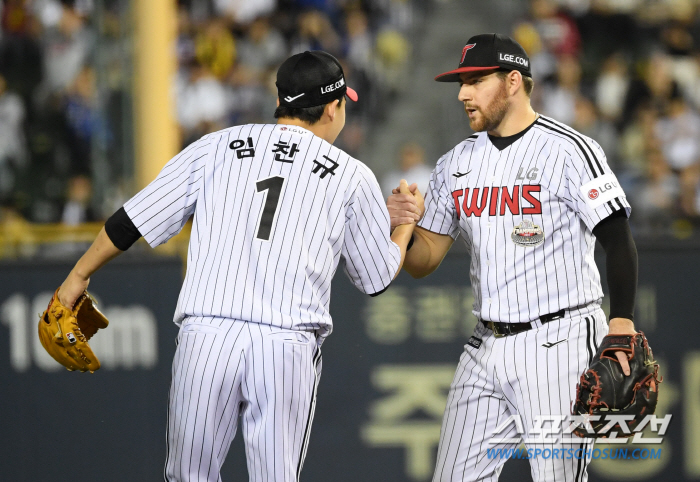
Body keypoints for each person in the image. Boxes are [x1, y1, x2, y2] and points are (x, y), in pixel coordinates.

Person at [55, 50, 420, 481]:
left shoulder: (217, 145)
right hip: (286, 345)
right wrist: (403, 225)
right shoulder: (351, 175)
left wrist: (77, 275)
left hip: (207, 337)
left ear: (281, 100)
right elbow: (376, 278)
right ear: (333, 106)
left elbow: (131, 220)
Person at [387, 33, 639, 481]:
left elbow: (616, 236)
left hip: (558, 339)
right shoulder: (454, 163)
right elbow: (425, 261)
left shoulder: (569, 150)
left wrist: (620, 321)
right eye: (460, 82)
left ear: (512, 82)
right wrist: (403, 227)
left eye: (476, 80)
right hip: (485, 343)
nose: (463, 93)